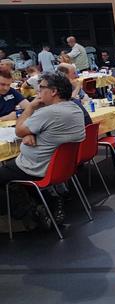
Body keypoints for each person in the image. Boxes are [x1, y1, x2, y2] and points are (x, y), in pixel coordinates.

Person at [0, 71, 85, 225]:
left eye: (41, 88)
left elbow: (19, 130)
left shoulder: (49, 112)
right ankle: (48, 200)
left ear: (53, 91)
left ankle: (30, 212)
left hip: (34, 167)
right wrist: (29, 133)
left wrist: (30, 108)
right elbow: (40, 129)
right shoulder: (75, 108)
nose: (38, 93)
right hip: (62, 167)